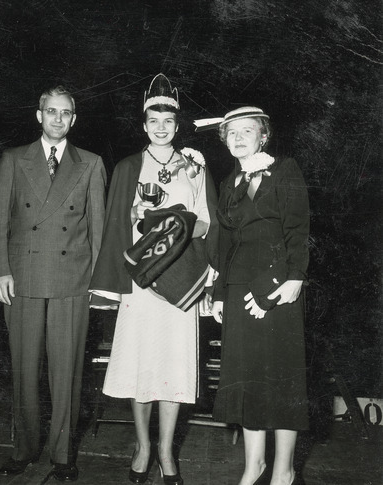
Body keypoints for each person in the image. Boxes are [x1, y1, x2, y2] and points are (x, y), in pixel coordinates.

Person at [89, 73, 217, 485]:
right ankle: (143, 446)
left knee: (175, 369)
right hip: (142, 285)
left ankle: (166, 451)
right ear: (144, 125)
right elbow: (116, 228)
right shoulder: (128, 167)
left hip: (180, 282)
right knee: (140, 367)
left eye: (168, 122)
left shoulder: (195, 168)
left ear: (177, 126)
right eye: (153, 121)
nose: (161, 128)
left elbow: (208, 224)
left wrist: (174, 224)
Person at [0, 86, 106, 481]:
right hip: (22, 278)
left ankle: (62, 455)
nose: (58, 118)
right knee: (24, 370)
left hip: (72, 280)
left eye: (66, 112)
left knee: (67, 373)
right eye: (51, 111)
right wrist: (1, 269)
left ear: (75, 118)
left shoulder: (90, 163)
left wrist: (99, 283)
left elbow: (99, 231)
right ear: (39, 116)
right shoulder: (13, 160)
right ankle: (23, 449)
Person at [195, 107, 309, 485]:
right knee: (246, 380)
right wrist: (219, 294)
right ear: (225, 140)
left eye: (248, 131)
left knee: (280, 378)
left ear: (264, 136)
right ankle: (253, 465)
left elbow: (297, 228)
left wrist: (293, 279)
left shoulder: (285, 170)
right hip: (239, 289)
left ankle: (283, 470)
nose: (239, 137)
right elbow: (226, 242)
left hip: (278, 288)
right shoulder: (230, 182)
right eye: (232, 133)